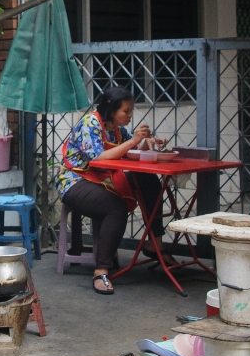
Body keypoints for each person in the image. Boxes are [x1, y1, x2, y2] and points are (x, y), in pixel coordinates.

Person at [56, 86, 172, 295]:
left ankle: (155, 243)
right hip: (74, 181)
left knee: (149, 180)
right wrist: (134, 141)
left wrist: (148, 143)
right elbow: (98, 159)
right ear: (112, 110)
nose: (129, 115)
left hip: (102, 179)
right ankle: (101, 270)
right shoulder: (91, 123)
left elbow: (129, 150)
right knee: (115, 207)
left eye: (131, 111)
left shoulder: (117, 128)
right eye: (125, 111)